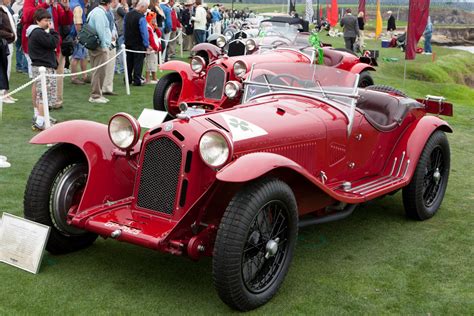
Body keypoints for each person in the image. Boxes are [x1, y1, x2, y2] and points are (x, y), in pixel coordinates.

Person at [26, 8, 60, 130]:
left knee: (40, 91)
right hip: (44, 67)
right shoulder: (38, 33)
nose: (48, 23)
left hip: (39, 65)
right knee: (44, 94)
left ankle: (40, 116)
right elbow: (53, 42)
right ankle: (41, 121)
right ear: (37, 21)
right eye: (46, 20)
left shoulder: (34, 32)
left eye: (49, 20)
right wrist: (53, 31)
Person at [87, 0, 112, 103]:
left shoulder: (95, 11)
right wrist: (104, 46)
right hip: (99, 46)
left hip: (95, 45)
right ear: (108, 3)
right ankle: (95, 96)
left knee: (97, 70)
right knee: (99, 71)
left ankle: (97, 94)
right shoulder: (99, 13)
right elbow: (101, 31)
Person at [124, 0, 150, 86]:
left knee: (129, 62)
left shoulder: (127, 15)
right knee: (138, 62)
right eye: (145, 9)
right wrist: (147, 45)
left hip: (128, 42)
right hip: (138, 43)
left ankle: (127, 79)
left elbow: (125, 28)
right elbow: (144, 32)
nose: (146, 11)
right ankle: (137, 80)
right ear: (142, 7)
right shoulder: (141, 17)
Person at [0, 0, 17, 104]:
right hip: (4, 44)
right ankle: (2, 93)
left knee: (8, 68)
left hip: (8, 43)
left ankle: (6, 92)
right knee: (4, 68)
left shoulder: (5, 9)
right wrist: (9, 35)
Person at [69, 0, 90, 84]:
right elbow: (78, 23)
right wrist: (80, 36)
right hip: (77, 35)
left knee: (83, 56)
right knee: (76, 57)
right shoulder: (77, 6)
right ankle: (74, 77)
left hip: (74, 34)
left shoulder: (73, 3)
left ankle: (84, 76)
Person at [101, 0, 118, 96]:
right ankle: (106, 87)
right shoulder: (106, 12)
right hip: (109, 41)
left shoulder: (109, 12)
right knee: (109, 64)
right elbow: (107, 27)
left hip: (112, 41)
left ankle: (107, 87)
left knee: (111, 65)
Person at [144, 10, 160, 84]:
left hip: (155, 47)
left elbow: (159, 35)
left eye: (155, 19)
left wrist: (156, 28)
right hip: (151, 48)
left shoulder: (153, 26)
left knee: (154, 63)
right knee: (149, 63)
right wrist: (154, 47)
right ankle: (147, 79)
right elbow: (150, 39)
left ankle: (154, 77)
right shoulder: (147, 27)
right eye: (153, 18)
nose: (154, 20)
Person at [112, 0, 127, 73]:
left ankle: (114, 68)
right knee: (121, 51)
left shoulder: (114, 8)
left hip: (117, 32)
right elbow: (127, 16)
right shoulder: (119, 8)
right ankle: (122, 68)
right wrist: (126, 9)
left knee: (115, 51)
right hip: (120, 32)